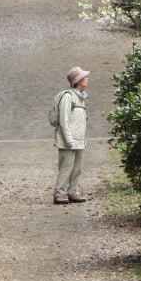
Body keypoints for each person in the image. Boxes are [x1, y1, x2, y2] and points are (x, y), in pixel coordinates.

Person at [53, 66, 90, 204]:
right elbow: (64, 120)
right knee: (66, 166)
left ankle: (73, 192)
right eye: (84, 77)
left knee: (77, 167)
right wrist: (69, 139)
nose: (86, 79)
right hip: (68, 140)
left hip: (79, 139)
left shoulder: (81, 97)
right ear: (77, 80)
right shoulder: (68, 97)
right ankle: (59, 193)